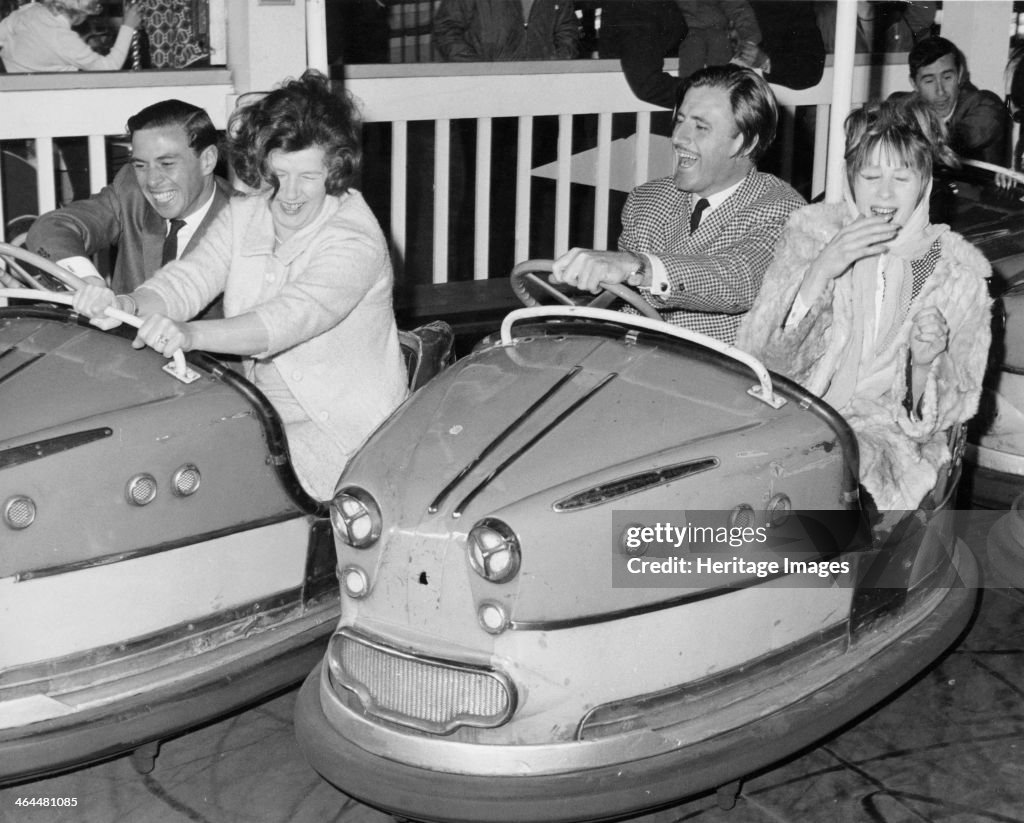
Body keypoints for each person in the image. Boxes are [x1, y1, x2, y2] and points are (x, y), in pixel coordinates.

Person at [71, 70, 409, 501]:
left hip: (345, 436)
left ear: (335, 170)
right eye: (276, 174)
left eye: (306, 176)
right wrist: (126, 304)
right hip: (263, 418)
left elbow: (286, 319)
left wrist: (190, 334)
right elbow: (186, 280)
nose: (287, 194)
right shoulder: (247, 213)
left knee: (215, 497)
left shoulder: (355, 238)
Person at [736, 101, 992, 513]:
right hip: (790, 413)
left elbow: (953, 412)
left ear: (925, 183)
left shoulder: (959, 276)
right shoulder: (813, 233)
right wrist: (820, 272)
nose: (884, 193)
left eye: (901, 177)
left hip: (884, 439)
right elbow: (761, 360)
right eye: (870, 176)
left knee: (830, 497)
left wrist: (923, 364)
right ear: (850, 177)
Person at [550, 64, 805, 344]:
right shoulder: (646, 200)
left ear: (743, 145)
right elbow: (627, 304)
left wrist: (639, 268)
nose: (678, 138)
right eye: (680, 120)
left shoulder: (783, 210)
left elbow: (738, 278)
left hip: (722, 375)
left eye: (700, 127)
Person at [28, 99, 233, 302]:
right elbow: (51, 228)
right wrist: (86, 281)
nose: (152, 181)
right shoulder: (131, 191)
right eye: (141, 165)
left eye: (167, 163)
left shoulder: (243, 223)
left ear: (207, 160)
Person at [891, 36, 1008, 166]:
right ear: (914, 84)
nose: (940, 91)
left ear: (959, 74)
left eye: (947, 77)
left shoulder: (986, 105)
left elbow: (957, 140)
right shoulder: (900, 105)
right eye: (929, 81)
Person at [0, 0, 141, 72]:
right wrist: (128, 26)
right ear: (80, 15)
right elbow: (109, 67)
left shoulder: (31, 11)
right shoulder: (64, 40)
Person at [432, 0, 580, 61]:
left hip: (541, 90)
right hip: (484, 94)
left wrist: (557, 63)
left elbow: (567, 29)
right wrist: (478, 69)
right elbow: (446, 29)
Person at [676, 1, 761, 81]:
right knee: (692, 51)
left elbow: (738, 7)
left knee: (719, 47)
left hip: (718, 30)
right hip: (685, 30)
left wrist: (749, 38)